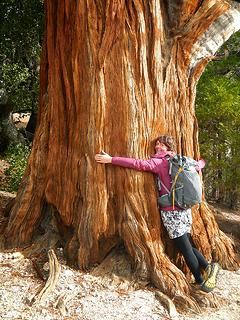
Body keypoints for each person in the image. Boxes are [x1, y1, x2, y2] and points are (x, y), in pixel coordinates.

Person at [95, 135, 219, 292]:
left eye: (160, 144)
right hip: (185, 209)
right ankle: (208, 268)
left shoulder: (160, 162)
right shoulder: (181, 160)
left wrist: (111, 159)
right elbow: (200, 164)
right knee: (187, 244)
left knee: (185, 249)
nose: (157, 146)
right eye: (157, 144)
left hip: (172, 211)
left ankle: (201, 280)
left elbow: (137, 164)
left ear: (167, 147)